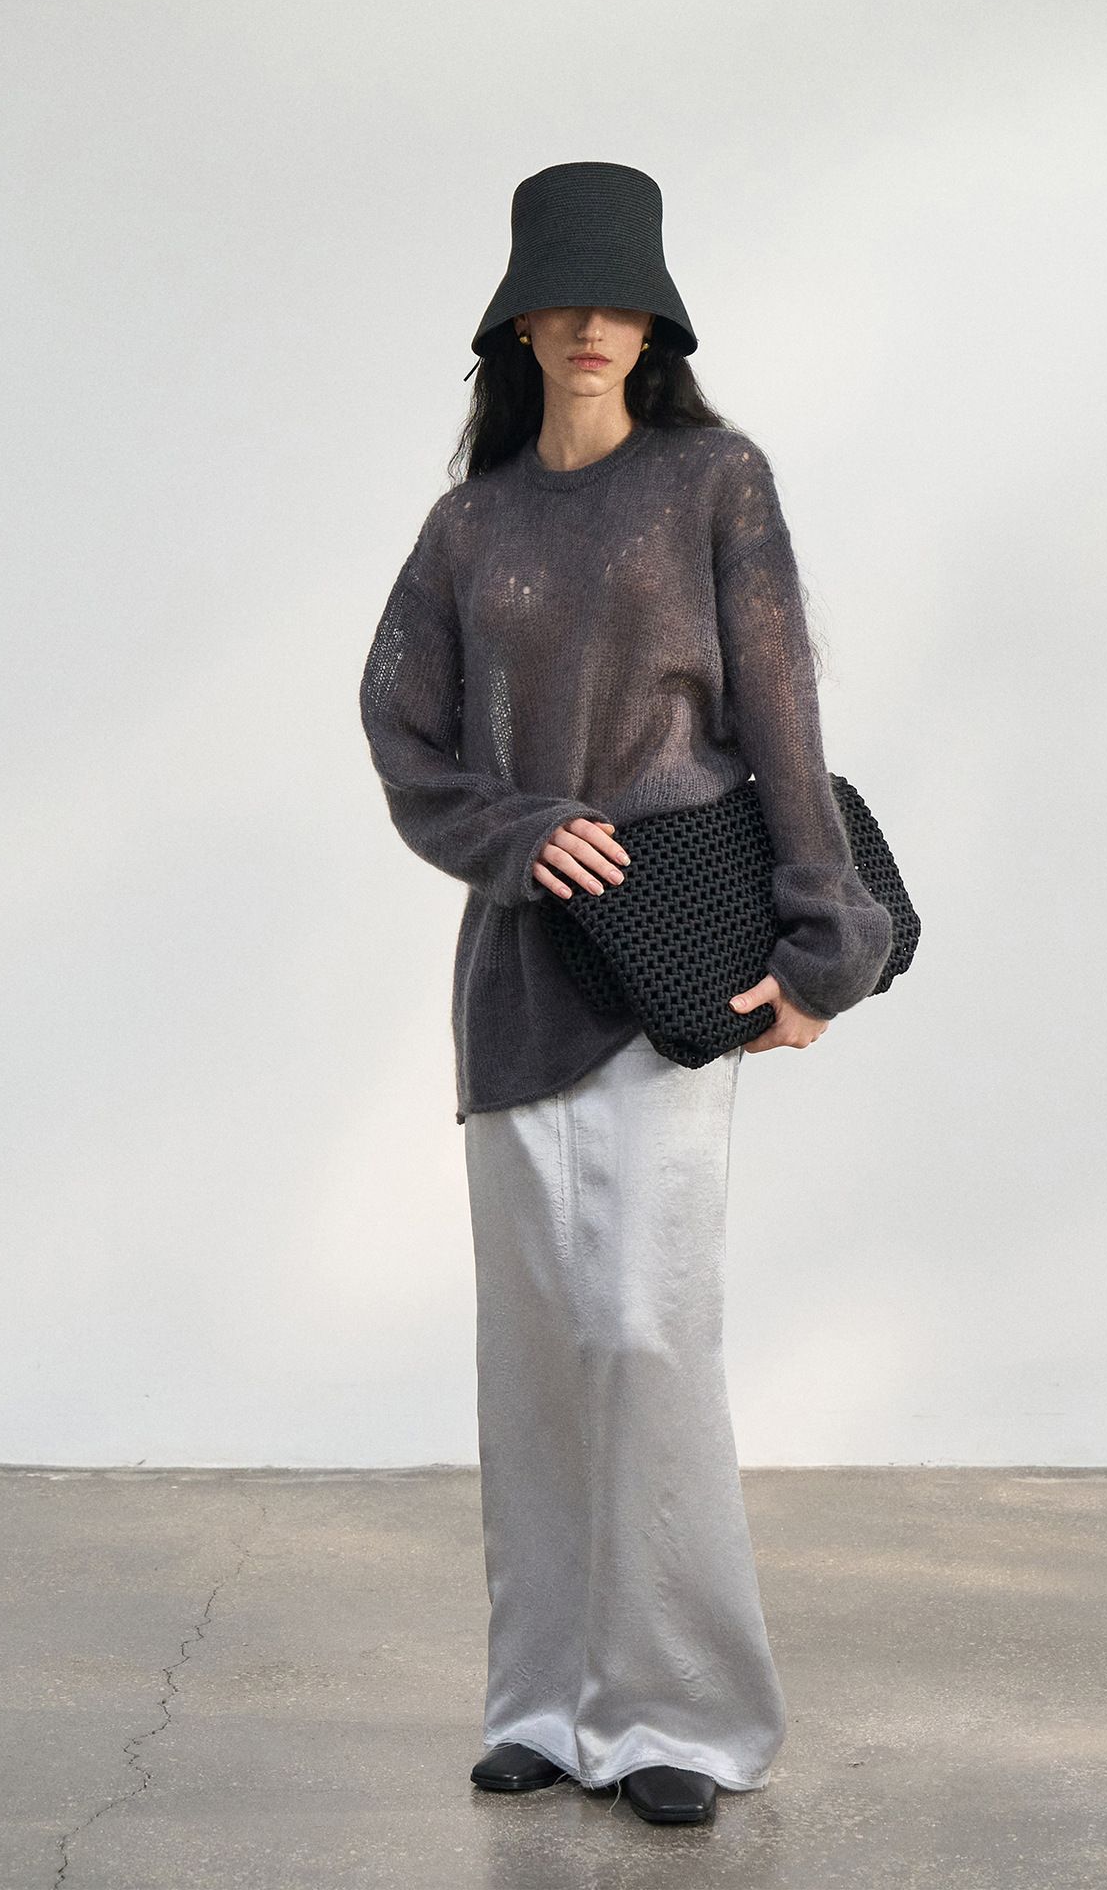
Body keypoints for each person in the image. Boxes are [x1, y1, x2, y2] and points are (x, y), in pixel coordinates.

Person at [359, 162, 893, 1828]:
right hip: (521, 970)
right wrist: (516, 832)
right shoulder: (469, 526)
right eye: (564, 297)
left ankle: (677, 1718)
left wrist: (827, 944)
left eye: (622, 298)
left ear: (656, 325)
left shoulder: (715, 482)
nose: (593, 324)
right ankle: (542, 1704)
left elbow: (782, 715)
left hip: (672, 960)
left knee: (643, 1332)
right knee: (534, 1353)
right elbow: (402, 736)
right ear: (518, 324)